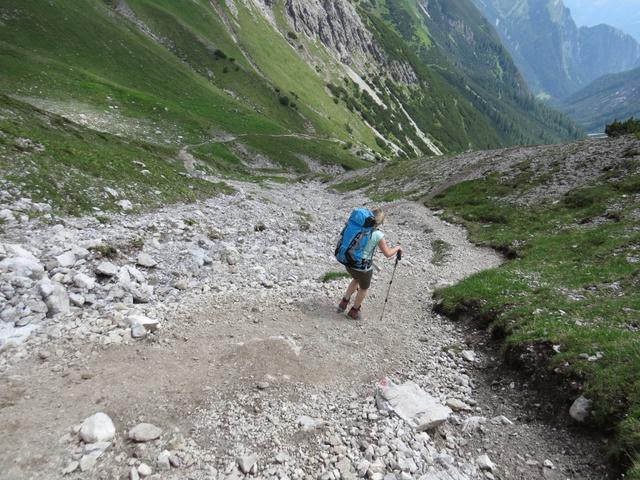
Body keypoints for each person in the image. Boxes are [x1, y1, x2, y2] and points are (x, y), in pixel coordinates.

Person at [337, 208, 402, 320]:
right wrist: (398, 248)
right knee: (363, 288)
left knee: (356, 279)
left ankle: (343, 303)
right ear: (381, 221)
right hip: (362, 267)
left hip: (349, 262)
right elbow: (388, 254)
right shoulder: (378, 235)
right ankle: (354, 311)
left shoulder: (358, 228)